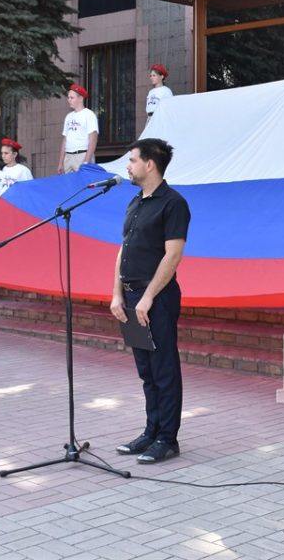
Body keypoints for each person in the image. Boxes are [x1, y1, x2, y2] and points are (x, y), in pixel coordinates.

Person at [110, 138, 191, 464]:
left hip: (157, 298)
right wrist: (117, 292)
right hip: (131, 297)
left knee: (163, 369)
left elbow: (173, 256)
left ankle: (167, 439)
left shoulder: (173, 204)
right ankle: (150, 431)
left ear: (150, 164)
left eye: (132, 160)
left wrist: (147, 298)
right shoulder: (135, 202)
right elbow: (123, 249)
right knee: (145, 369)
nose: (127, 166)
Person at [57, 83, 98, 173]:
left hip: (82, 154)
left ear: (80, 98)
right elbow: (65, 140)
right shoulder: (68, 117)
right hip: (68, 156)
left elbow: (93, 139)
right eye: (68, 98)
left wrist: (86, 161)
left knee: (84, 184)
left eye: (72, 98)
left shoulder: (89, 114)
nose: (69, 100)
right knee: (69, 185)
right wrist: (60, 162)